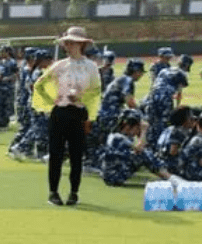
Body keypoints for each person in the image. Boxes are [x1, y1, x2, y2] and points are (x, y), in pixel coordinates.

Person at [33, 26, 102, 207]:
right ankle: (53, 192)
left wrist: (81, 99)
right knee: (55, 153)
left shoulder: (91, 67)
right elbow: (39, 84)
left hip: (78, 112)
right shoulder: (59, 65)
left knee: (76, 154)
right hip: (60, 111)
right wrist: (51, 100)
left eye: (73, 43)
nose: (69, 46)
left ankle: (74, 192)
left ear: (81, 44)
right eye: (67, 43)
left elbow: (95, 92)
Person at [100, 108, 171, 186]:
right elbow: (140, 149)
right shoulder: (118, 137)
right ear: (129, 125)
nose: (139, 129)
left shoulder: (116, 135)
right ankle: (169, 178)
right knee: (143, 154)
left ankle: (166, 174)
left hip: (112, 175)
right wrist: (144, 131)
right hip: (114, 177)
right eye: (138, 127)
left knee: (143, 153)